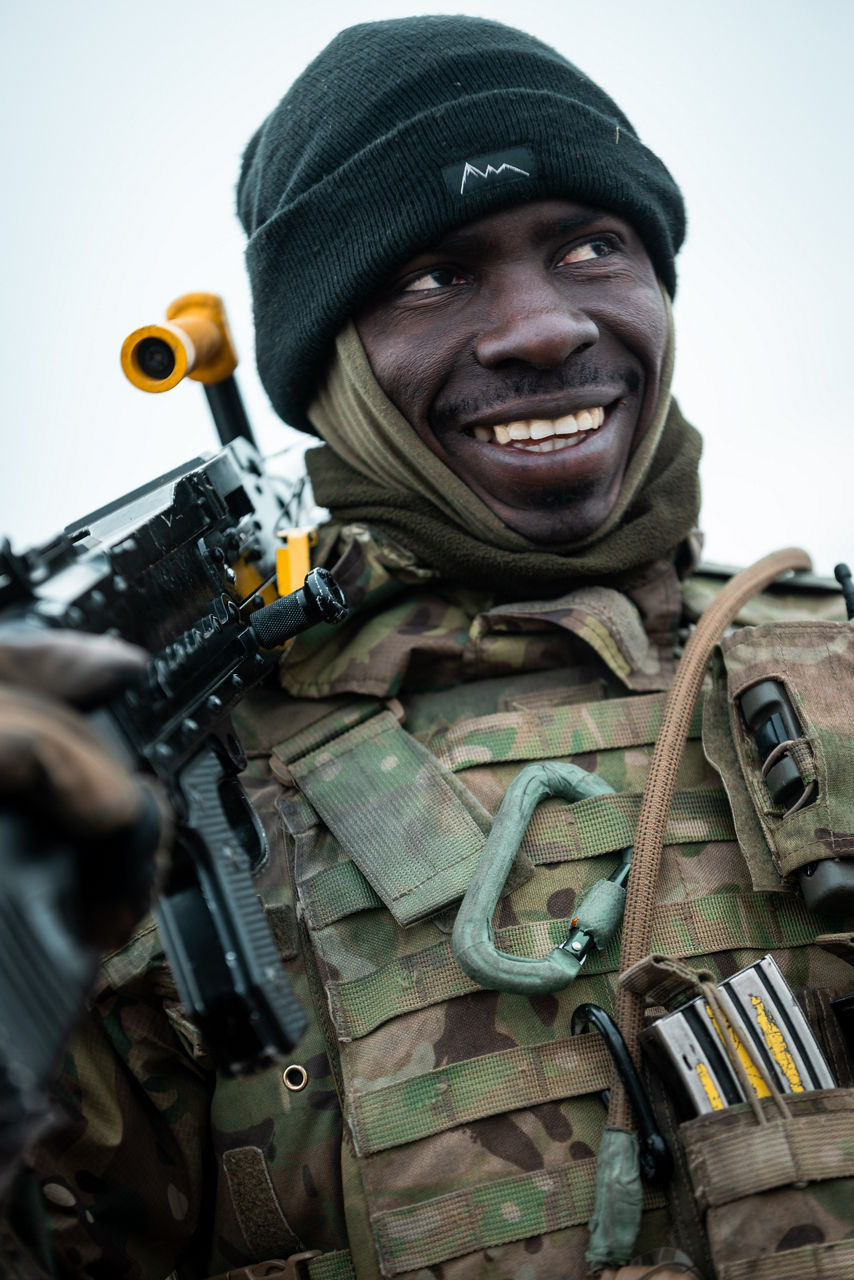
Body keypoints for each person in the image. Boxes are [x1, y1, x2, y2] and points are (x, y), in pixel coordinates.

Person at [1, 16, 852, 1280]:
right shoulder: (170, 788)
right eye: (430, 277)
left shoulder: (826, 664)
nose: (539, 329)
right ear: (326, 362)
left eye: (590, 246)